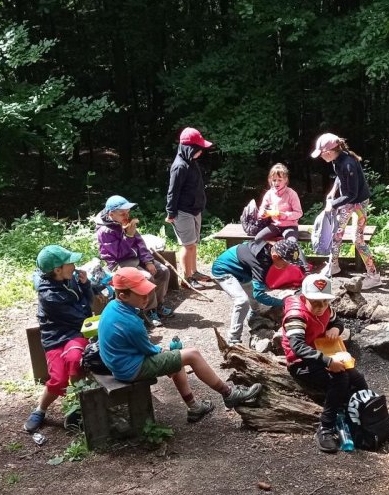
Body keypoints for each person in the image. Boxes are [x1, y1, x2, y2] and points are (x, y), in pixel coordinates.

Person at [97, 267, 262, 421]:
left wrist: (168, 353)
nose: (147, 298)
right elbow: (148, 350)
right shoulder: (130, 323)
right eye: (141, 294)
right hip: (130, 369)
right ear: (123, 296)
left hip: (119, 364)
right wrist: (164, 351)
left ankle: (194, 407)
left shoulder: (112, 306)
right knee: (192, 355)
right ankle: (229, 394)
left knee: (177, 359)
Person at [283, 273, 369, 453]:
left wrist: (336, 328)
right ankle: (326, 426)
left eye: (325, 302)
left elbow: (337, 321)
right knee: (340, 379)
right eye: (315, 302)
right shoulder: (296, 316)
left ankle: (365, 409)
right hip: (301, 362)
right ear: (304, 298)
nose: (321, 307)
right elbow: (297, 347)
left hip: (323, 352)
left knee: (356, 376)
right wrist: (328, 362)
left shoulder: (326, 309)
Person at [25, 245, 93, 433]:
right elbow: (83, 315)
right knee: (59, 378)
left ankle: (80, 405)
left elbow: (87, 304)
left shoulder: (69, 279)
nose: (74, 266)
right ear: (57, 270)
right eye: (70, 263)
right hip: (55, 337)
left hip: (75, 333)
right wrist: (84, 303)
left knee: (75, 360)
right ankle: (40, 410)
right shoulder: (50, 295)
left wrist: (86, 285)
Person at [311, 133, 382, 290]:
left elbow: (352, 195)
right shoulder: (337, 159)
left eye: (321, 154)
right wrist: (333, 190)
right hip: (347, 201)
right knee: (336, 234)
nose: (321, 157)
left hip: (358, 203)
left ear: (329, 152)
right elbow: (340, 177)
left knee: (358, 239)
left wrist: (333, 204)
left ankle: (374, 276)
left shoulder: (348, 163)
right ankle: (334, 265)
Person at [95, 194, 172, 327]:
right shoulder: (105, 231)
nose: (127, 216)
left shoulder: (126, 223)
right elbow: (118, 254)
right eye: (122, 213)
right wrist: (129, 236)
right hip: (119, 262)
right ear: (111, 214)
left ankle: (158, 304)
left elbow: (140, 243)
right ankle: (149, 310)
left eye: (128, 212)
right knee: (147, 278)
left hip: (135, 258)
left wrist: (148, 261)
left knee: (163, 271)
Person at [209, 237, 302, 346]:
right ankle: (233, 339)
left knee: (254, 299)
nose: (286, 267)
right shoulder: (260, 263)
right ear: (275, 256)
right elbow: (259, 295)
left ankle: (255, 316)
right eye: (285, 263)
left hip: (242, 270)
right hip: (223, 270)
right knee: (242, 301)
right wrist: (282, 302)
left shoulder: (270, 248)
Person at [166, 126, 214, 287]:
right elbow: (172, 192)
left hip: (195, 209)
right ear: (189, 148)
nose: (201, 152)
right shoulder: (179, 166)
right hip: (182, 211)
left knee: (193, 244)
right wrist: (171, 212)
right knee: (187, 246)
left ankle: (194, 272)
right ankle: (187, 279)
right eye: (198, 149)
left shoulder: (191, 162)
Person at [253, 163, 308, 270]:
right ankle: (264, 262)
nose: (276, 183)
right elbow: (261, 210)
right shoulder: (269, 194)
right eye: (274, 180)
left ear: (286, 180)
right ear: (270, 180)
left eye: (279, 180)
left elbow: (299, 213)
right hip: (275, 225)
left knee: (292, 244)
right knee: (258, 238)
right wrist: (263, 213)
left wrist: (283, 215)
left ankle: (304, 269)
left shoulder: (291, 193)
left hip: (290, 226)